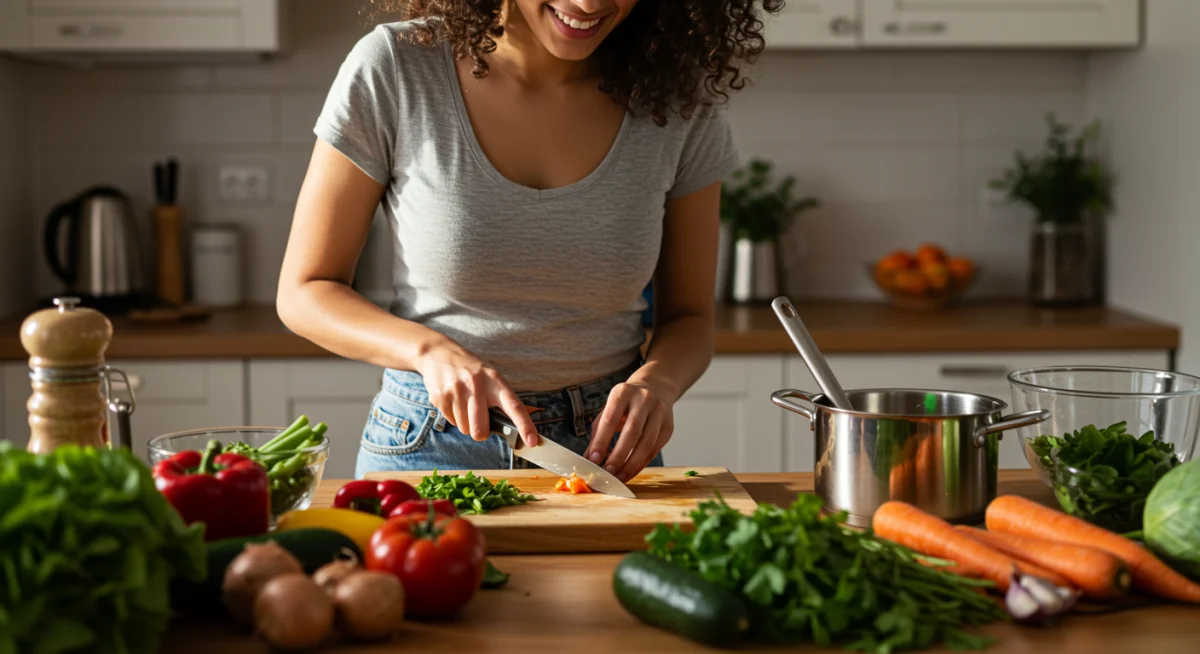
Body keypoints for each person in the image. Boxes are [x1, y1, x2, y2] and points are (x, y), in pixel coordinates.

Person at [277, 0, 781, 481]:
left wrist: (660, 384)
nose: (588, 5)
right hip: (430, 440)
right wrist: (428, 351)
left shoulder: (677, 98)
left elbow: (690, 319)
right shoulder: (398, 66)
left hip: (607, 451)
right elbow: (305, 290)